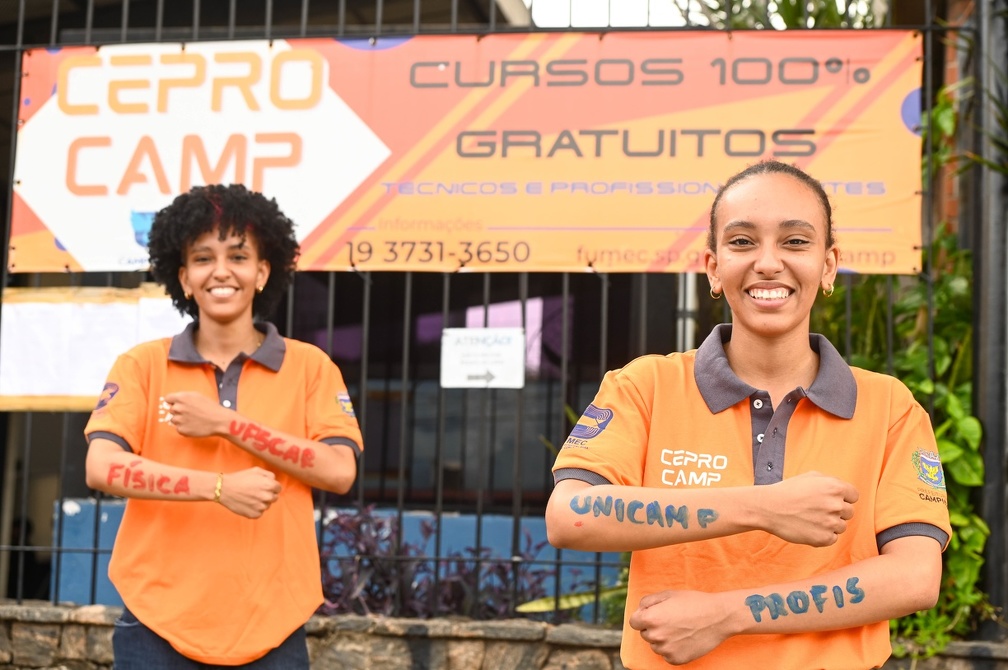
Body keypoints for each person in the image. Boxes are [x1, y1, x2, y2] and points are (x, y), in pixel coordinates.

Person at [544, 160, 951, 669]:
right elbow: (570, 516)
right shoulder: (645, 386)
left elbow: (915, 577)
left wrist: (728, 614)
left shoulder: (890, 407)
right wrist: (763, 507)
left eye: (795, 242)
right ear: (713, 267)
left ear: (828, 265)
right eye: (742, 242)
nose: (768, 263)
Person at [84, 183, 363, 669]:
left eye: (238, 256)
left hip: (273, 623)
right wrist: (217, 487)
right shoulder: (141, 365)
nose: (220, 271)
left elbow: (340, 471)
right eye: (202, 258)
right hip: (156, 623)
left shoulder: (310, 366)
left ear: (262, 272)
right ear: (184, 278)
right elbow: (101, 467)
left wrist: (227, 424)